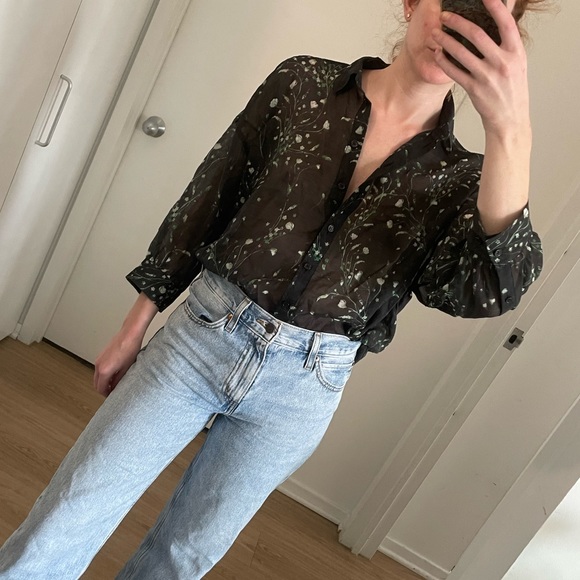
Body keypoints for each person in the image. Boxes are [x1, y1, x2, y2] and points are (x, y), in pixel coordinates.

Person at [0, 0, 546, 577]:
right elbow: (210, 197)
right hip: (202, 337)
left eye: (487, 17)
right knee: (73, 507)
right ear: (411, 3)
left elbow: (490, 290)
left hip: (305, 388)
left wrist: (511, 131)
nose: (460, 27)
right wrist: (136, 322)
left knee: (182, 557)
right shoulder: (302, 84)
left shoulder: (464, 179)